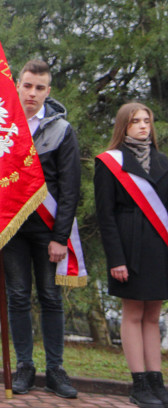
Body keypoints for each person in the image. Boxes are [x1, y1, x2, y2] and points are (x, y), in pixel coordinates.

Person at [5, 59, 80, 398]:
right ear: (18, 85)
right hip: (13, 230)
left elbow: (70, 189)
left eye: (39, 87)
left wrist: (61, 237)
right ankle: (24, 366)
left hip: (48, 231)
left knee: (50, 298)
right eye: (27, 85)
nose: (32, 93)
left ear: (48, 91)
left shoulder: (62, 130)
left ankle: (55, 370)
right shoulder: (1, 125)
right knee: (18, 297)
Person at [94, 102, 168, 407]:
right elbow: (105, 216)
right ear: (123, 127)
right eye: (135, 121)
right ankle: (138, 383)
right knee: (134, 312)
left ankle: (156, 381)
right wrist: (117, 259)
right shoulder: (109, 162)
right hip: (128, 245)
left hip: (159, 247)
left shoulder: (164, 161)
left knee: (153, 314)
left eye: (146, 121)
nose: (142, 126)